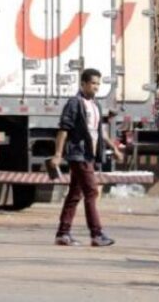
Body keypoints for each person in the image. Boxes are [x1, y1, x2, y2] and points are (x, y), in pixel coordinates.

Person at [51, 68, 123, 247]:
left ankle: (63, 233)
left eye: (98, 83)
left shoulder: (96, 105)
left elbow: (100, 131)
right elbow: (63, 129)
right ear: (82, 84)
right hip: (78, 153)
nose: (96, 87)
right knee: (92, 191)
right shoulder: (75, 103)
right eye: (93, 83)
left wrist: (114, 148)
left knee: (75, 194)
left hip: (89, 154)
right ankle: (96, 234)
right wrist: (58, 154)